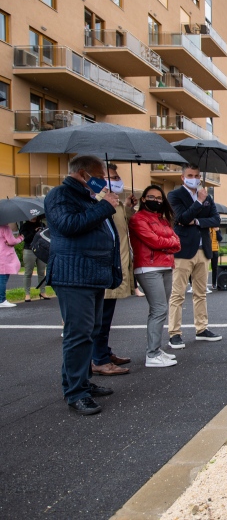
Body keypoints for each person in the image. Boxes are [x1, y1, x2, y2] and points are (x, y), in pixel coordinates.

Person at [45, 155, 121, 415]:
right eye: (99, 175)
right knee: (78, 334)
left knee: (90, 331)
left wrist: (104, 205)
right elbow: (69, 225)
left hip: (91, 274)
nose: (103, 181)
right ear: (82, 174)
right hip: (73, 275)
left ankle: (81, 382)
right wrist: (104, 206)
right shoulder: (60, 195)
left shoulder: (89, 198)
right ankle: (76, 392)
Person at [166, 163, 222, 349]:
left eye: (197, 175)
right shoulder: (175, 196)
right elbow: (180, 218)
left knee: (201, 293)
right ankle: (174, 333)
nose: (195, 178)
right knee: (178, 294)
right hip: (183, 251)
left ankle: (201, 328)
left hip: (202, 250)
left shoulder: (207, 196)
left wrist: (197, 220)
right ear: (183, 177)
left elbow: (216, 219)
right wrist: (198, 202)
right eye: (190, 175)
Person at [130, 185, 182, 367]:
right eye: (152, 197)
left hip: (166, 266)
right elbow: (152, 241)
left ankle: (156, 349)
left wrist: (164, 244)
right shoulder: (137, 219)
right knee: (159, 309)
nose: (156, 201)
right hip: (148, 268)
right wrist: (167, 244)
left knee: (160, 309)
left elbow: (176, 241)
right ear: (143, 199)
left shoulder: (163, 219)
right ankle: (151, 354)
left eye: (160, 198)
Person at [91, 164, 134, 376]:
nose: (117, 180)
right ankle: (98, 359)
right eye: (112, 177)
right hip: (105, 268)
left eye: (118, 176)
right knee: (101, 319)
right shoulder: (97, 201)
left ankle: (104, 353)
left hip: (116, 267)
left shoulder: (113, 202)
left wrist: (127, 207)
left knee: (106, 318)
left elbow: (120, 228)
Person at [19, 215, 50, 301]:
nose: (34, 218)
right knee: (28, 272)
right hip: (29, 250)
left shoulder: (42, 225)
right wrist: (34, 232)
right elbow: (26, 239)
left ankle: (43, 292)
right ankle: (27, 294)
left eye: (36, 216)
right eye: (32, 216)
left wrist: (41, 231)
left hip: (41, 250)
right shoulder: (24, 226)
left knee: (41, 272)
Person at [0, 223, 23, 308]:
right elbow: (11, 241)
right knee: (3, 278)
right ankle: (1, 300)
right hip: (4, 256)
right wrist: (21, 238)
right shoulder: (5, 228)